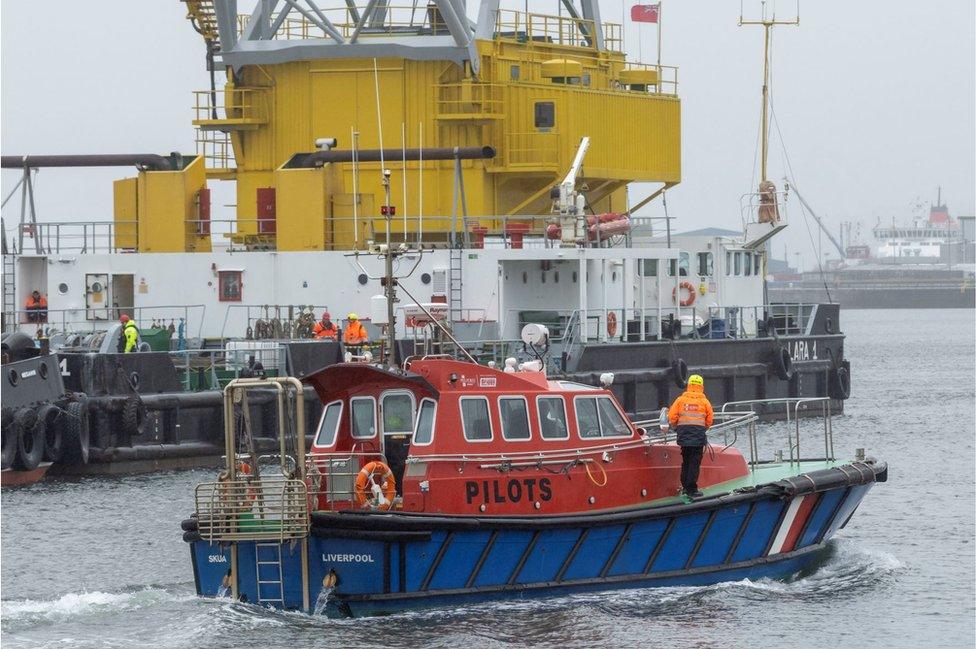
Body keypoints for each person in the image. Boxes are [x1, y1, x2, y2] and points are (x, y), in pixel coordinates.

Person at [668, 374, 713, 498]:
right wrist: (703, 429)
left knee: (686, 461)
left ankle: (685, 487)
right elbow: (709, 420)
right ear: (702, 387)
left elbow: (672, 416)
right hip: (698, 435)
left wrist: (677, 428)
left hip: (683, 434)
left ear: (688, 386)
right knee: (694, 462)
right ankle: (692, 489)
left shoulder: (680, 400)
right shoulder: (704, 402)